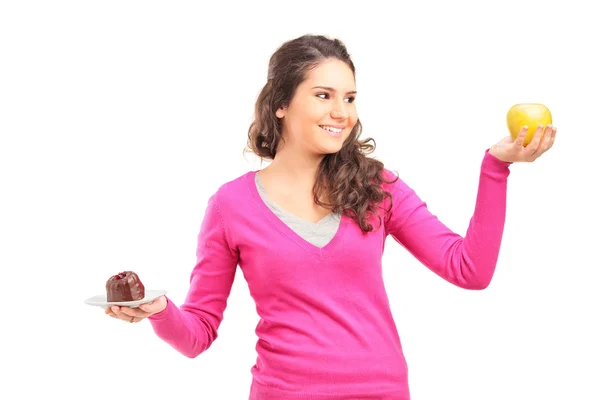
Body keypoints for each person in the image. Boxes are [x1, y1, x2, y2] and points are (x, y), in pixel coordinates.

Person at [105, 34, 556, 399]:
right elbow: (198, 334)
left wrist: (496, 167)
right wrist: (160, 311)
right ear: (280, 103)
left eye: (350, 98)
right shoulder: (230, 206)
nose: (342, 113)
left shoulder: (378, 188)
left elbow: (469, 270)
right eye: (324, 95)